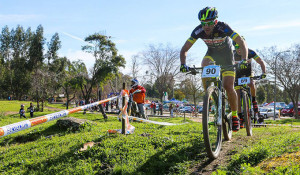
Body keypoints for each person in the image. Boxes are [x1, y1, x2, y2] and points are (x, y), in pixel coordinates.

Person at [180, 7, 248, 132]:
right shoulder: (198, 31)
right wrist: (183, 64)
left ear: (215, 22)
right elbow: (184, 49)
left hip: (227, 57)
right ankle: (210, 98)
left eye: (209, 23)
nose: (206, 26)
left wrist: (244, 60)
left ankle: (234, 115)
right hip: (212, 54)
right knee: (204, 63)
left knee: (228, 86)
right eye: (203, 23)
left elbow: (241, 41)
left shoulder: (223, 27)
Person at [233, 38, 266, 128]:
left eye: (241, 46)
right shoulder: (232, 54)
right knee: (237, 95)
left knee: (251, 83)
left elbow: (261, 62)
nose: (239, 49)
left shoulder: (250, 52)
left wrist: (264, 73)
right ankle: (240, 116)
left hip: (248, 72)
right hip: (237, 74)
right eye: (237, 47)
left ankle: (254, 100)